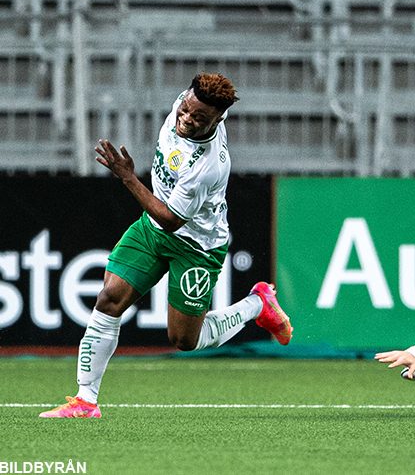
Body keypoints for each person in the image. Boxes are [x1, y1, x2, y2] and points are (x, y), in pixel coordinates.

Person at [39, 73, 293, 419]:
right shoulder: (188, 102)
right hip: (152, 229)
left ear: (218, 120)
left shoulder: (206, 167)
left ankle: (256, 304)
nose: (187, 120)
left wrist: (128, 177)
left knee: (184, 340)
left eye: (199, 118)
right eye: (185, 110)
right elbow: (161, 219)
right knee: (109, 298)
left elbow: (172, 219)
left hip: (196, 245)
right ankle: (85, 402)